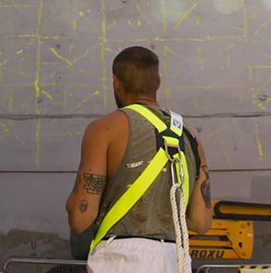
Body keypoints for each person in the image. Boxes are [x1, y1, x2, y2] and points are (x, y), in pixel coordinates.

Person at [66, 46, 212, 272]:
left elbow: (80, 218)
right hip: (175, 259)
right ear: (158, 83)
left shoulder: (104, 129)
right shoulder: (190, 136)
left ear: (115, 82)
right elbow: (200, 223)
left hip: (121, 259)